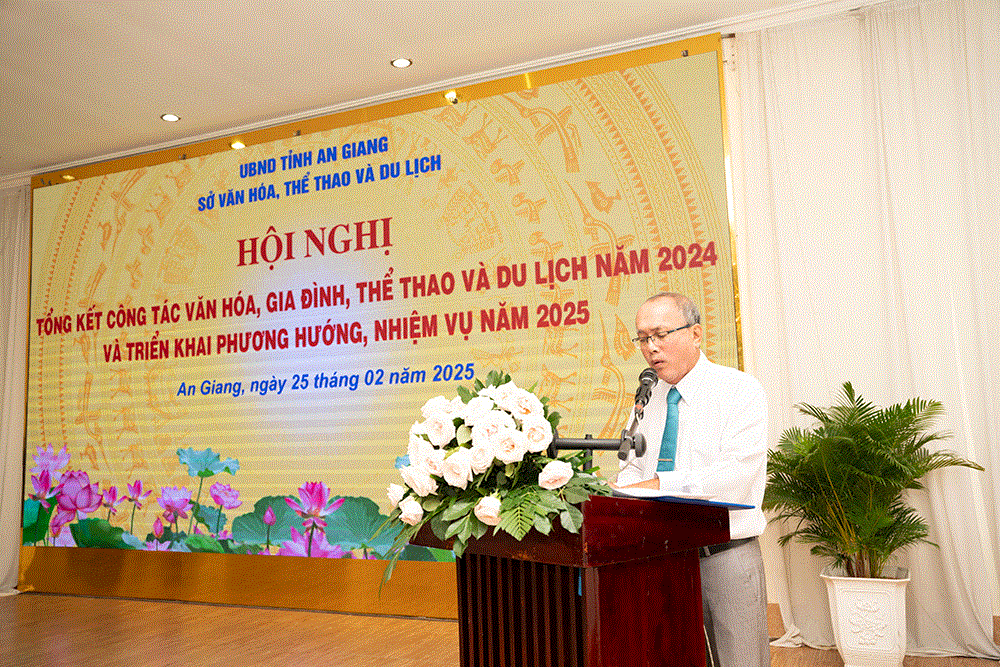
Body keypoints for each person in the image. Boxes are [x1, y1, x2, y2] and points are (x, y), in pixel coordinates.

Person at [613, 292, 770, 667]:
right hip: (658, 557)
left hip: (725, 555)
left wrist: (658, 485)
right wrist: (619, 492)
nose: (651, 348)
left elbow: (736, 475)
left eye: (660, 335)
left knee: (740, 661)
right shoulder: (647, 398)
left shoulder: (738, 390)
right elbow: (632, 467)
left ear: (696, 334)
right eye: (642, 338)